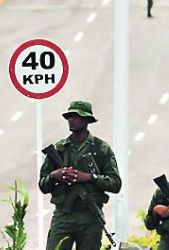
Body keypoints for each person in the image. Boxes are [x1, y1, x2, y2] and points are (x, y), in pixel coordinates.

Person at [39, 100, 122, 250]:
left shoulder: (101, 149)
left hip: (90, 216)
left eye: (76, 116)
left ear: (87, 120)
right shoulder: (59, 149)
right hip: (64, 216)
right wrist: (54, 175)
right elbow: (43, 185)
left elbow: (115, 184)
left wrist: (90, 177)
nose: (71, 120)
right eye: (69, 116)